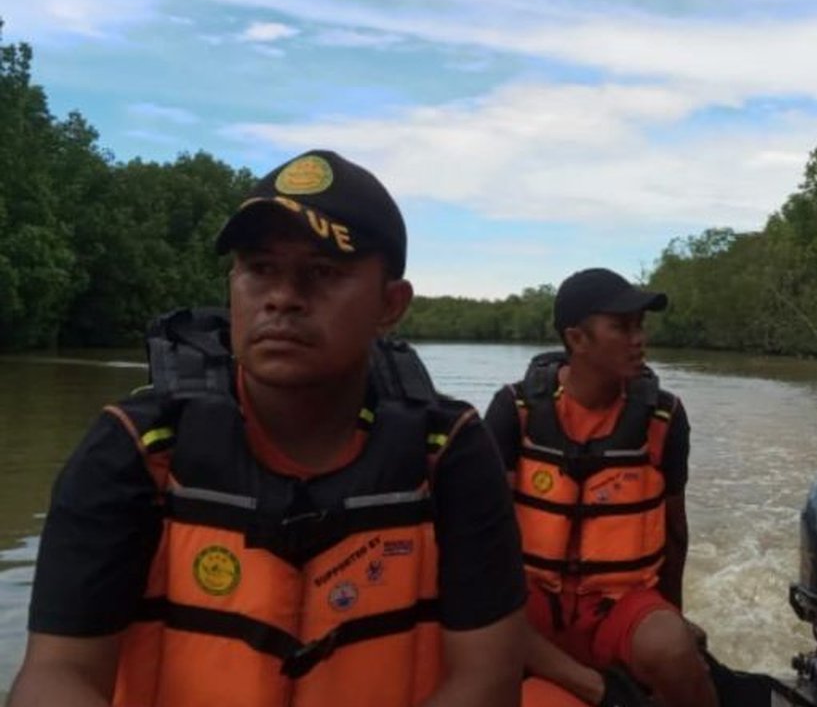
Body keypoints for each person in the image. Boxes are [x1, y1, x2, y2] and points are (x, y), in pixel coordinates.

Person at [6, 150, 526, 707]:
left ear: (390, 304)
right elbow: (58, 674)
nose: (282, 297)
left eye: (322, 273)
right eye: (259, 269)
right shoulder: (135, 451)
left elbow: (487, 678)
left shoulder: (448, 454)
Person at [483, 268, 718, 707]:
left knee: (672, 649)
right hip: (530, 606)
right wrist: (600, 690)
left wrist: (673, 618)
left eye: (640, 326)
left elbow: (675, 534)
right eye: (622, 327)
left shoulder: (664, 417)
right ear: (577, 339)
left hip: (618, 605)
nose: (639, 339)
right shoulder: (513, 411)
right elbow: (481, 549)